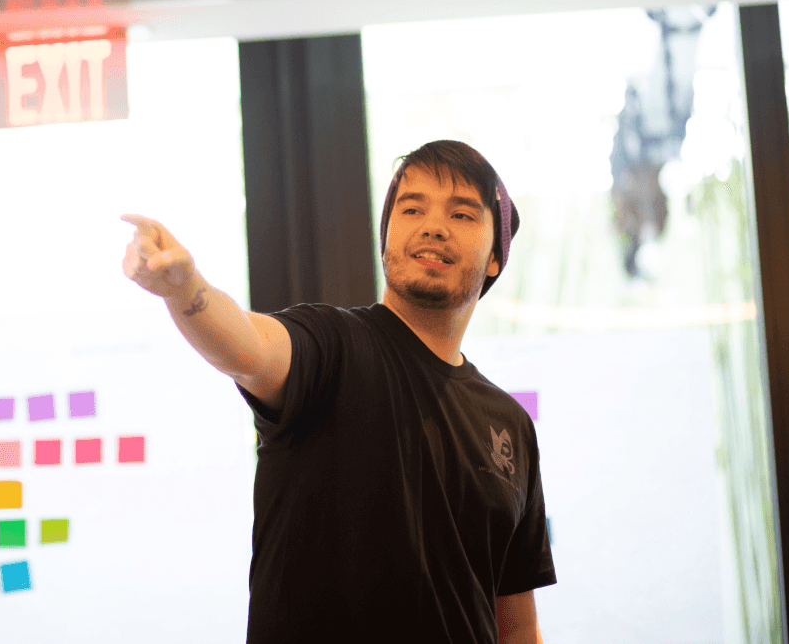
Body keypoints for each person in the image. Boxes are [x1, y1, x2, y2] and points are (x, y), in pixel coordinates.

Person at [121, 140, 554, 644]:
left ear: (496, 258)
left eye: (462, 214)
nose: (433, 226)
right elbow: (249, 347)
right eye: (411, 208)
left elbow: (517, 627)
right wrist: (184, 288)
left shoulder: (510, 424)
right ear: (387, 235)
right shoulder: (333, 346)